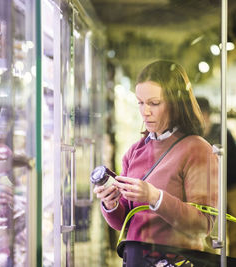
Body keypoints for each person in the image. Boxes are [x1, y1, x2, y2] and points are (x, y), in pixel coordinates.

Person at [94, 60, 219, 256]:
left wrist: (154, 197)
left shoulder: (198, 150)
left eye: (154, 103)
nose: (145, 112)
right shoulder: (135, 151)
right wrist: (111, 204)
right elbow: (124, 223)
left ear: (176, 103)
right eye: (140, 103)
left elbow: (203, 225)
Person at [196, 96, 236, 259]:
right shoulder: (193, 135)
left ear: (205, 114)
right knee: (207, 238)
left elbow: (218, 165)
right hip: (212, 191)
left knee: (235, 237)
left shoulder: (221, 134)